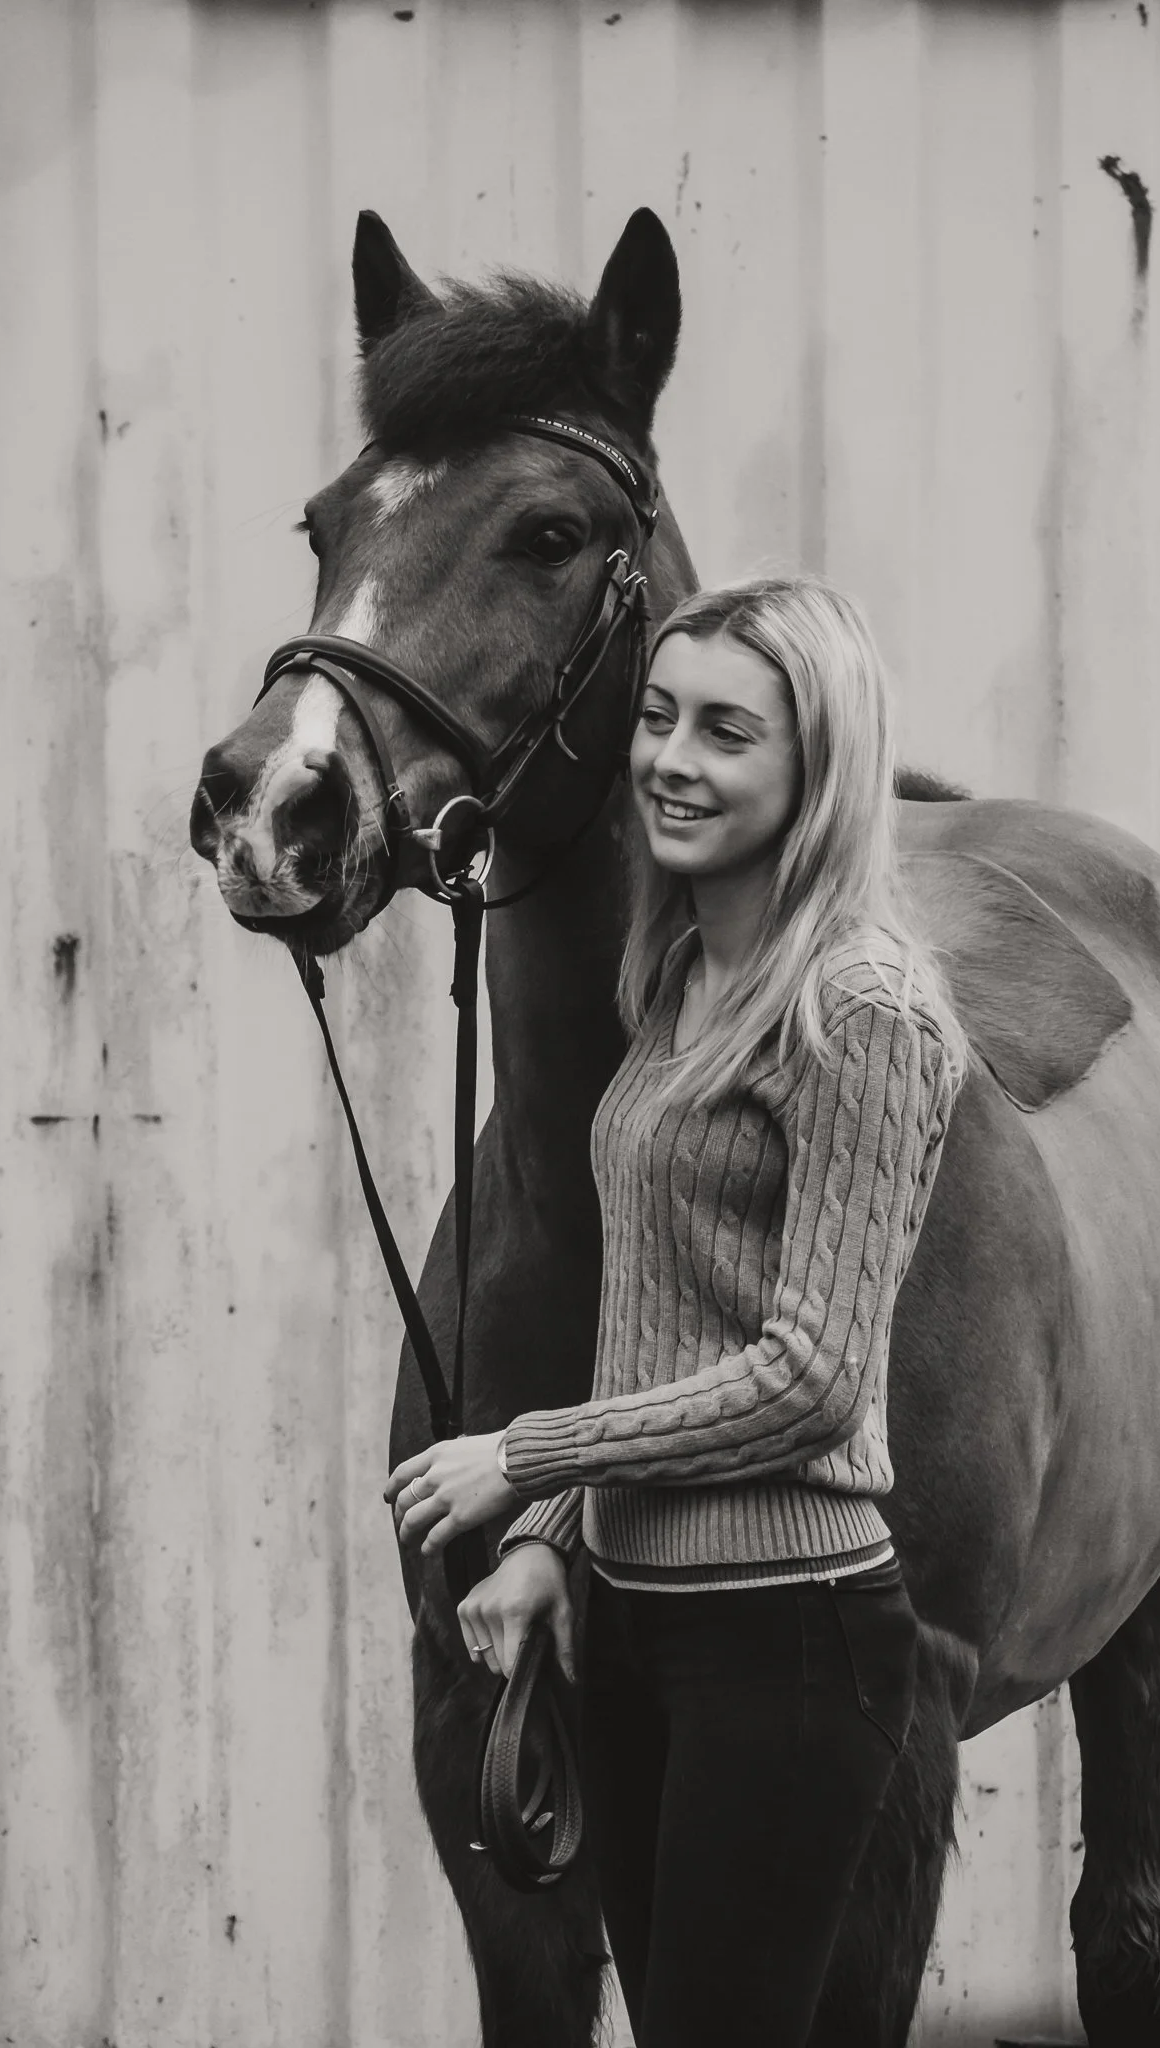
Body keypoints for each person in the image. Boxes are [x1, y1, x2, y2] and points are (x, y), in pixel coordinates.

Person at [387, 575, 969, 2048]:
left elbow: (814, 1375)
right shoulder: (682, 983)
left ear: (817, 769)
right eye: (656, 719)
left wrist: (527, 1458)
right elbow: (662, 1318)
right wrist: (549, 1544)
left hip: (789, 1647)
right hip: (636, 1629)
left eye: (725, 731)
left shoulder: (865, 1015)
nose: (671, 760)